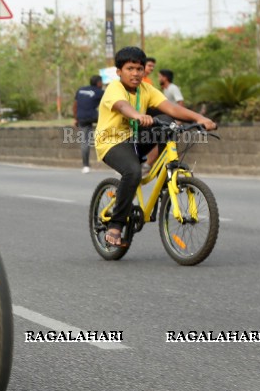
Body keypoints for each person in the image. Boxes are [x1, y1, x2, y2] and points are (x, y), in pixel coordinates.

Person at [94, 46, 215, 247]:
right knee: (132, 172)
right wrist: (137, 115)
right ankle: (115, 225)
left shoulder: (147, 90)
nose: (135, 73)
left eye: (139, 69)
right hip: (111, 142)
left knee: (168, 120)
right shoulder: (114, 89)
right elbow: (123, 106)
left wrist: (200, 118)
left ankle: (167, 175)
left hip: (135, 138)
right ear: (119, 72)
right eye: (130, 69)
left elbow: (172, 107)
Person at [73, 75, 104, 173]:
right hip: (94, 116)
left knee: (84, 141)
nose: (102, 84)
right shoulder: (100, 92)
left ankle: (85, 166)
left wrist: (76, 118)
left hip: (81, 117)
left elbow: (75, 105)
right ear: (98, 83)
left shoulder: (80, 90)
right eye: (101, 82)